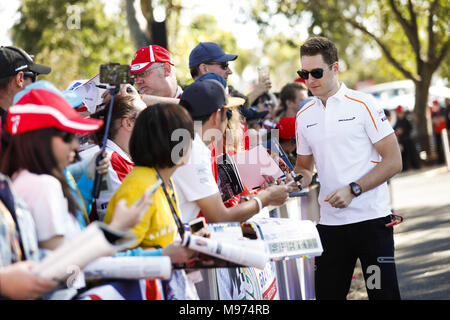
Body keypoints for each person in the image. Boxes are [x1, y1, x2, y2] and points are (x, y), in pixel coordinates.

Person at [294, 37, 402, 300]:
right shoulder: (304, 116)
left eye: (316, 72)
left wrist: (354, 190)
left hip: (372, 223)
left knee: (382, 296)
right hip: (331, 227)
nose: (310, 80)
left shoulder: (363, 104)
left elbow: (393, 161)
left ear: (335, 67)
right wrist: (292, 180)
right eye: (303, 74)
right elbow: (304, 168)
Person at [172, 79, 289, 224]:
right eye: (228, 113)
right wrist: (266, 198)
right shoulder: (193, 150)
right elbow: (220, 217)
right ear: (216, 116)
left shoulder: (187, 142)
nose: (230, 119)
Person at [393, 105, 420, 171]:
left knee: (412, 153)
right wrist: (398, 131)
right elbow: (394, 129)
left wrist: (403, 130)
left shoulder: (407, 120)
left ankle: (415, 166)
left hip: (408, 139)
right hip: (402, 140)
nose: (399, 114)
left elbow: (410, 128)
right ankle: (405, 168)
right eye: (398, 113)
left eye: (400, 113)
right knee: (404, 155)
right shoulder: (397, 121)